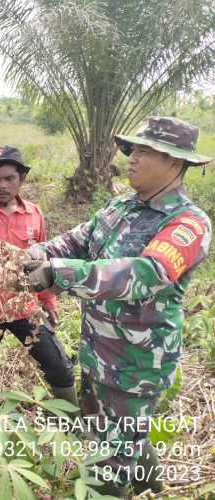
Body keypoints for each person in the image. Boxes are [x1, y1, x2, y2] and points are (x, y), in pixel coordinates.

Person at [24, 117, 212, 497]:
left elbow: (146, 272)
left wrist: (57, 275)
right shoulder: (121, 205)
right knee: (115, 435)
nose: (131, 158)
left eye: (144, 151)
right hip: (97, 352)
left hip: (136, 365)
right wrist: (35, 254)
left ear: (175, 163)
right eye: (133, 149)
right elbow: (76, 242)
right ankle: (151, 488)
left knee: (108, 467)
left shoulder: (188, 223)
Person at [0, 145, 77, 407]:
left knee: (58, 366)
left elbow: (42, 263)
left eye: (9, 178)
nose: (2, 185)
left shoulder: (34, 214)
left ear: (22, 180)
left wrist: (48, 302)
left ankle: (71, 422)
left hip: (25, 308)